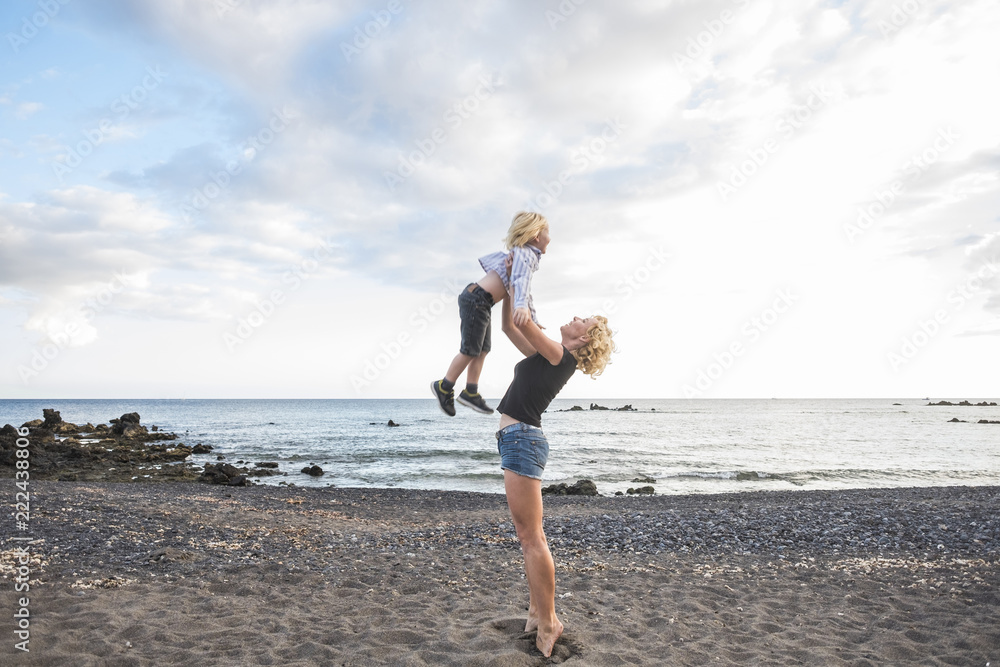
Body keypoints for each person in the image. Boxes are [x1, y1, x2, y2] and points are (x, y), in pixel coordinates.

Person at [494, 290, 615, 657]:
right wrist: (510, 295)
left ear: (583, 339)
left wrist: (517, 282)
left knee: (532, 537)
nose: (577, 316)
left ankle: (549, 620)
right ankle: (536, 611)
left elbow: (524, 324)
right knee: (528, 536)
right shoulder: (549, 356)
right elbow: (508, 328)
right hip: (516, 440)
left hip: (522, 440)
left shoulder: (560, 356)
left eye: (584, 320)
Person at [431, 211, 551, 416]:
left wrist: (533, 317)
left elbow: (524, 290)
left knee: (483, 349)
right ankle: (444, 385)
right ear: (536, 235)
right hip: (476, 299)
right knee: (470, 349)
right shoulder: (525, 254)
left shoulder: (526, 256)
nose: (551, 236)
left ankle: (471, 392)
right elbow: (519, 283)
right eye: (548, 231)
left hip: (482, 302)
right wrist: (520, 307)